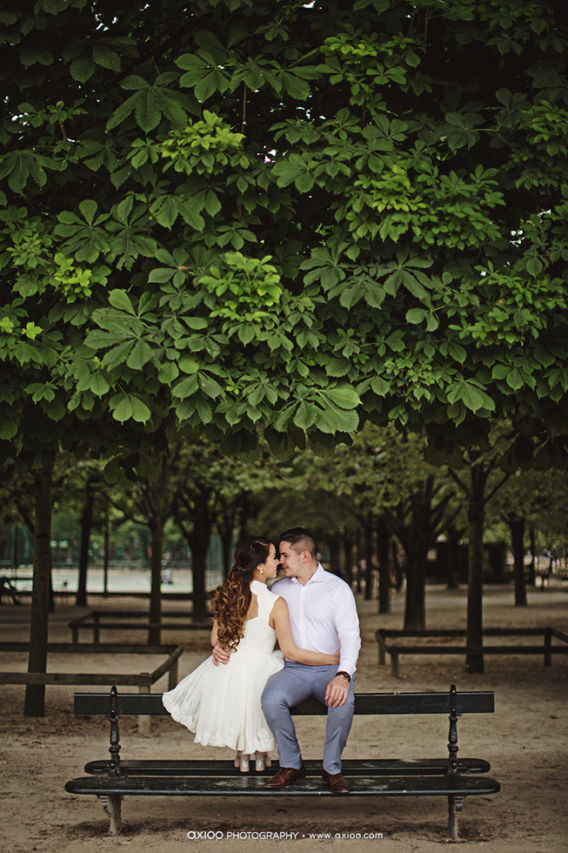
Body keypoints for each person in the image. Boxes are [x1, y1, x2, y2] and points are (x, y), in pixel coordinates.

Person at [162, 536, 339, 772]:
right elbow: (290, 651)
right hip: (264, 667)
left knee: (242, 705)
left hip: (231, 666)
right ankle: (258, 754)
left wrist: (218, 648)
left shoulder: (229, 594)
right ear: (259, 565)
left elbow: (216, 638)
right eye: (274, 557)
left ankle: (243, 755)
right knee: (260, 703)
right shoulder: (276, 602)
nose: (278, 562)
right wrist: (332, 658)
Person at [262, 528, 360, 794]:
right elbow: (257, 623)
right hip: (292, 670)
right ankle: (292, 765)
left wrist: (343, 675)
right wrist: (223, 644)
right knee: (271, 699)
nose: (280, 561)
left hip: (330, 670)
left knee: (343, 701)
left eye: (284, 555)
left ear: (304, 555)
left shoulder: (337, 589)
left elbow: (351, 636)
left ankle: (332, 769)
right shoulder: (279, 588)